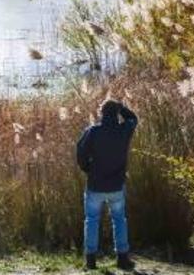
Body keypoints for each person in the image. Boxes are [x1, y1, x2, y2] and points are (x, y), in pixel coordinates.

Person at [76, 99, 138, 271]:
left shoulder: (93, 131)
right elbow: (134, 119)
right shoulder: (124, 130)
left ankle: (90, 260)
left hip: (95, 185)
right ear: (116, 113)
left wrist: (88, 169)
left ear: (101, 113)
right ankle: (123, 259)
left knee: (92, 220)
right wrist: (122, 108)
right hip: (116, 186)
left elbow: (80, 152)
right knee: (119, 220)